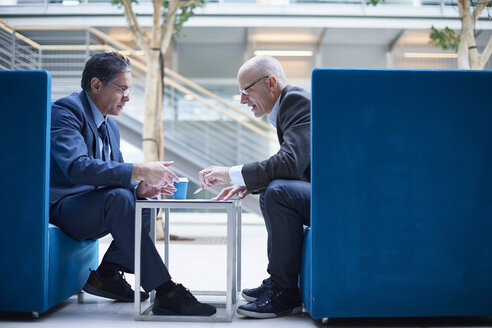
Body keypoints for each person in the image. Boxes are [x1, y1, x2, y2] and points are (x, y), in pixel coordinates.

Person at [49, 52, 216, 316]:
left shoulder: (110, 126)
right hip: (64, 207)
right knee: (119, 198)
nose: (128, 97)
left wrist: (140, 189)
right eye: (122, 89)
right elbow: (76, 167)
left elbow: (114, 178)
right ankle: (164, 290)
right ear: (96, 85)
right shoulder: (64, 112)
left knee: (145, 204)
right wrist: (139, 170)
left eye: (130, 90)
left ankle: (106, 275)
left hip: (93, 206)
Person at [199, 55, 311, 319]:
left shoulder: (296, 102)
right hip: (327, 191)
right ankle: (279, 282)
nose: (241, 100)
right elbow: (293, 166)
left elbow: (290, 163)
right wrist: (248, 184)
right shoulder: (287, 107)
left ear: (270, 82)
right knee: (272, 192)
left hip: (338, 198)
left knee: (278, 193)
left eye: (245, 90)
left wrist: (230, 174)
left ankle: (285, 293)